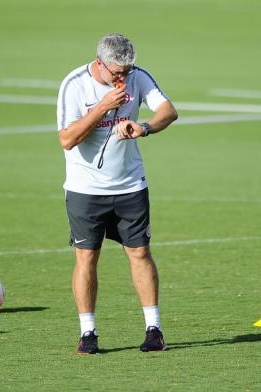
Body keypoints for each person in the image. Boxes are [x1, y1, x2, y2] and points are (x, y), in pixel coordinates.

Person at [56, 33, 178, 354]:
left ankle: (154, 329)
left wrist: (145, 127)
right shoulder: (74, 84)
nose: (123, 78)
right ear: (100, 63)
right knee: (86, 258)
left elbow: (168, 110)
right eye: (117, 73)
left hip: (130, 185)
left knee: (140, 253)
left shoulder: (138, 76)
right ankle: (88, 333)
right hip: (85, 189)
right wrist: (102, 108)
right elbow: (67, 139)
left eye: (127, 71)